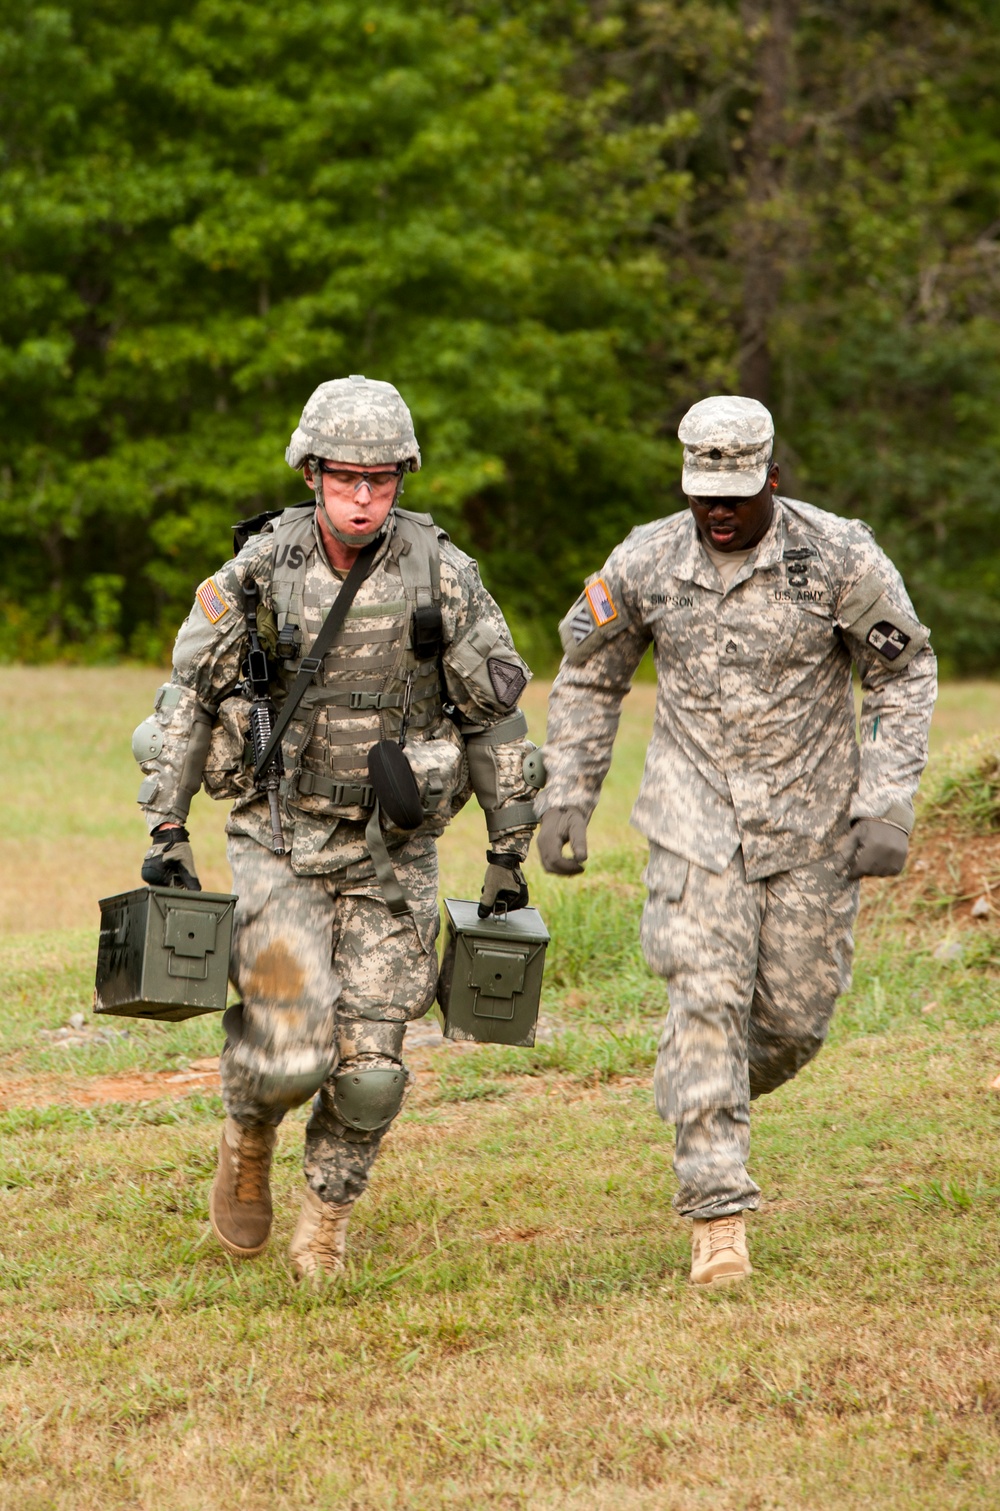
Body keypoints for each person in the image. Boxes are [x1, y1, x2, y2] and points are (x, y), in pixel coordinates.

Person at [132, 375, 537, 1281]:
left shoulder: (443, 576)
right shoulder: (259, 572)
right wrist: (167, 826)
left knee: (371, 1070)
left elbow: (495, 718)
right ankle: (248, 1133)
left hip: (393, 856)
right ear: (312, 472)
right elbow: (187, 701)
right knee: (285, 1051)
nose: (363, 498)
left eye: (382, 480)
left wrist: (510, 846)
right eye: (347, 478)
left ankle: (326, 1224)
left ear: (402, 478)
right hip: (277, 841)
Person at [535, 394, 936, 1287]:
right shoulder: (644, 559)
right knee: (707, 999)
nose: (719, 510)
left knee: (794, 1023)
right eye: (703, 493)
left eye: (738, 494)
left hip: (811, 827)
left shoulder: (836, 555)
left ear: (773, 479)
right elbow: (589, 673)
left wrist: (888, 801)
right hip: (693, 824)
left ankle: (697, 1083)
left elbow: (903, 672)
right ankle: (718, 1211)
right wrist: (568, 792)